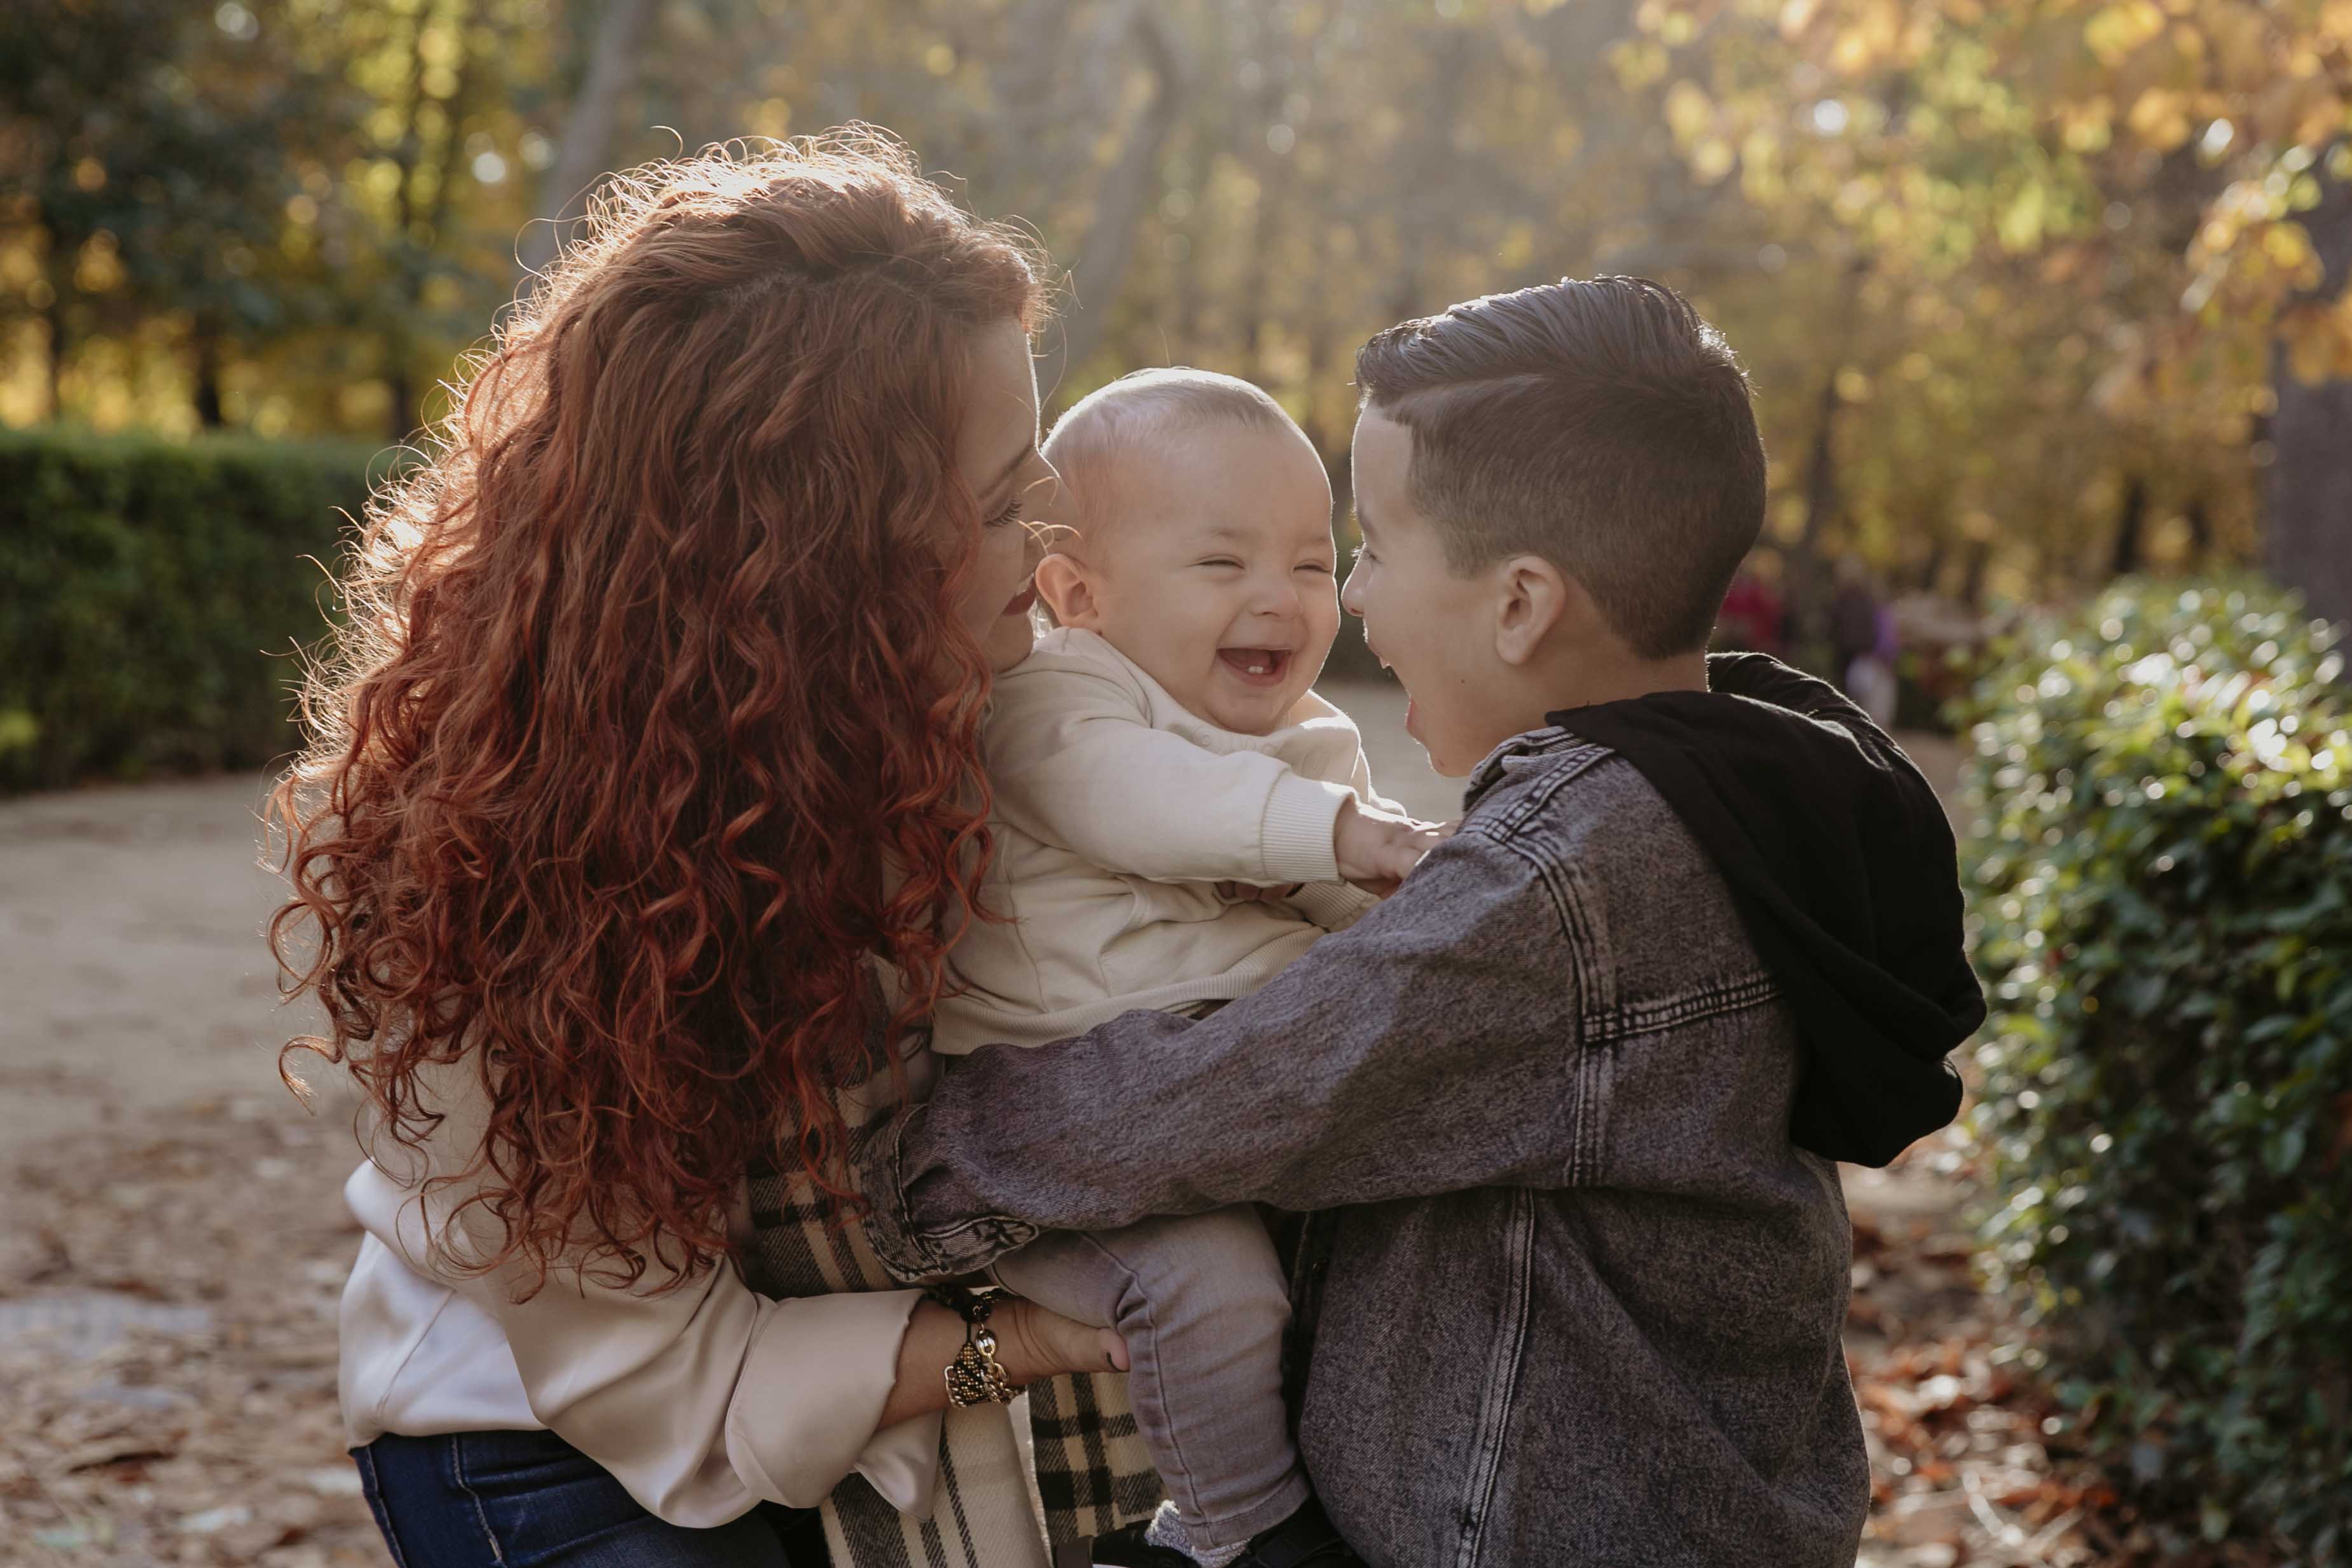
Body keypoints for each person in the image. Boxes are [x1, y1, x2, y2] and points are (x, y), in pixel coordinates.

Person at [856, 278, 1985, 1567]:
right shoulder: (1718, 797)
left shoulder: (1560, 886)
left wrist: (925, 1158)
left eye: (1370, 548)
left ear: (1516, 606)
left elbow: (1252, 1089)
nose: (1353, 596)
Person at [272, 133, 1149, 1568]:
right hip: (553, 1449)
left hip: (853, 1398)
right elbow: (679, 1379)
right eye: (997, 507)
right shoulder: (529, 867)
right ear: (817, 557)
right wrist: (1033, 1343)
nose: (1046, 545)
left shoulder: (1001, 703)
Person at [926, 368, 1439, 1568]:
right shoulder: (1057, 696)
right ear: (1078, 592)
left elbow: (1346, 895)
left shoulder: (1307, 736)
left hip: (1216, 1100)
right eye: (1222, 564)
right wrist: (1348, 837)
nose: (1279, 597)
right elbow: (1143, 805)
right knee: (1209, 1286)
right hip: (1046, 1128)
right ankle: (1238, 1536)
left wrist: (1412, 894)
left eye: (1311, 564)